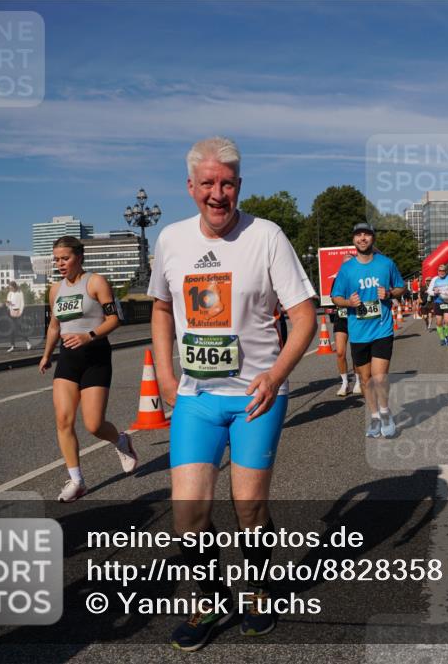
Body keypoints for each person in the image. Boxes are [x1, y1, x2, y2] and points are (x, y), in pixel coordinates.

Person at [149, 137, 317, 650]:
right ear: (190, 188)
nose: (217, 194)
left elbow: (305, 315)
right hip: (197, 399)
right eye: (207, 184)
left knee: (248, 510)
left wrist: (277, 373)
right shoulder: (171, 240)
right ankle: (207, 598)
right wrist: (165, 373)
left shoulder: (266, 236)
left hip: (255, 396)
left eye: (226, 184)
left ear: (239, 186)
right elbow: (159, 307)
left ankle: (260, 586)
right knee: (187, 517)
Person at [39, 236, 137, 503]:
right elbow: (54, 327)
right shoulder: (54, 290)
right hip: (68, 358)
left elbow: (115, 319)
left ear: (79, 257)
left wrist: (89, 335)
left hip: (95, 355)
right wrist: (47, 354)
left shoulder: (96, 282)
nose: (60, 263)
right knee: (63, 420)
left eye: (65, 258)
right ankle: (77, 481)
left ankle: (120, 441)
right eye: (56, 259)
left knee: (93, 424)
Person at [331, 222, 405, 438]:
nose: (362, 238)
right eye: (358, 235)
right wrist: (348, 303)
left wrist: (390, 293)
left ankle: (385, 413)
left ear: (373, 238)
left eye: (366, 235)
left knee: (379, 377)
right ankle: (374, 417)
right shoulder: (346, 269)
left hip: (382, 329)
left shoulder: (386, 264)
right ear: (354, 240)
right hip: (358, 331)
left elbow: (402, 287)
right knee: (365, 380)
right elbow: (336, 297)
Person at [330, 255, 361, 397]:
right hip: (342, 317)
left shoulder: (360, 278)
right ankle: (344, 383)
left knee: (356, 353)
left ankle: (359, 381)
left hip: (357, 317)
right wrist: (346, 301)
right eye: (345, 264)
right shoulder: (338, 279)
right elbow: (334, 297)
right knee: (340, 352)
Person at [427, 265, 448, 347]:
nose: (441, 272)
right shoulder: (435, 279)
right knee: (439, 322)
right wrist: (434, 292)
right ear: (438, 271)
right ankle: (442, 338)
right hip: (438, 302)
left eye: (443, 271)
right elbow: (429, 291)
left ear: (446, 271)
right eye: (440, 270)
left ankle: (446, 335)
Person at [6, 281, 32, 352]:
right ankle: (12, 346)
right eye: (9, 288)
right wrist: (8, 304)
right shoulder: (10, 293)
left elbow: (22, 303)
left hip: (18, 312)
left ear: (14, 287)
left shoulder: (20, 292)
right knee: (11, 330)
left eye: (11, 288)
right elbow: (8, 302)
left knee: (18, 329)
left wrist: (20, 312)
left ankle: (27, 342)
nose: (10, 289)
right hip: (11, 312)